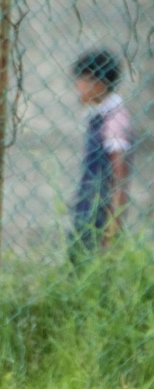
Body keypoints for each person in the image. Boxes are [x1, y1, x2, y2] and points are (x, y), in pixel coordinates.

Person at [68, 49, 131, 259]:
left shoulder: (114, 119)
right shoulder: (97, 116)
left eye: (82, 81)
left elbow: (119, 178)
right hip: (88, 207)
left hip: (100, 213)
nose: (77, 87)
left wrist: (112, 229)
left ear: (99, 83)